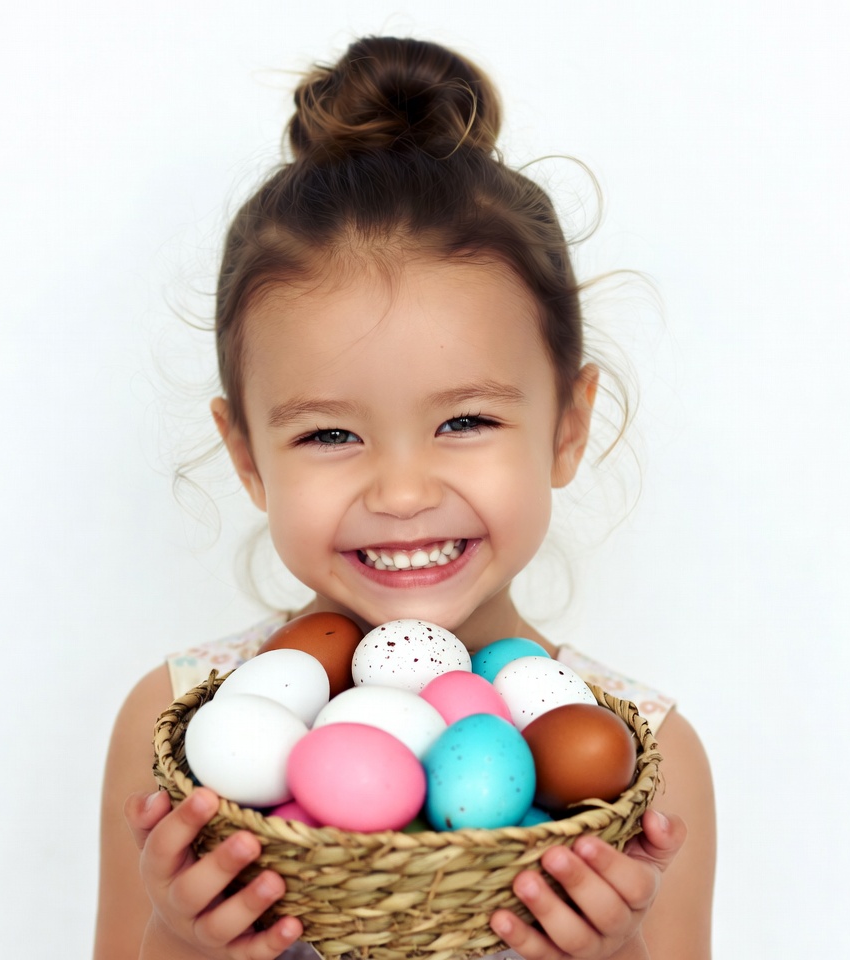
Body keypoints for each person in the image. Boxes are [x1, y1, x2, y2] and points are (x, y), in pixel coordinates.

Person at [94, 36, 716, 960]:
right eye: (329, 435)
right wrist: (177, 940)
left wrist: (614, 951)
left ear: (567, 428)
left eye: (465, 421)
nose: (402, 490)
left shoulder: (641, 764)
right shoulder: (180, 724)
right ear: (248, 456)